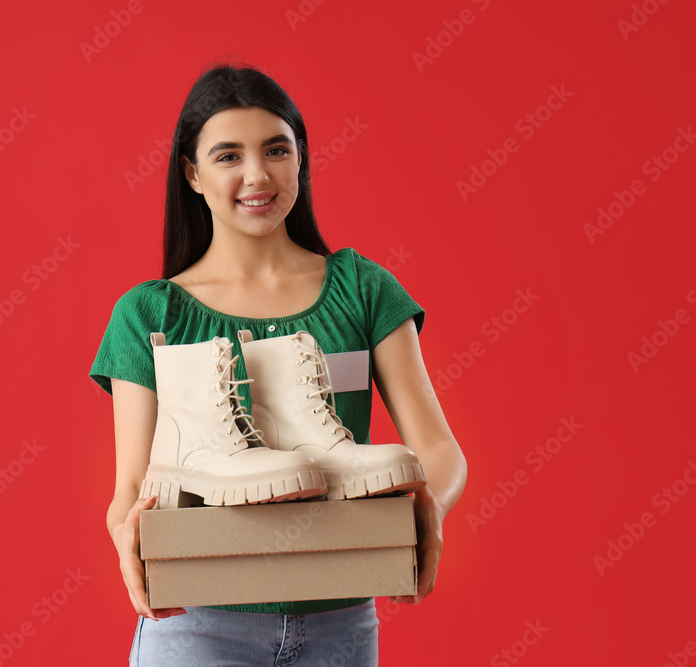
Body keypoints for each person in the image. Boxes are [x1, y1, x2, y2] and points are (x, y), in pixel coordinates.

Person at [90, 61, 468, 666]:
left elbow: (439, 450)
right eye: (228, 156)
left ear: (301, 160)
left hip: (341, 622)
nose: (257, 174)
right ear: (191, 173)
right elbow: (133, 487)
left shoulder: (363, 290)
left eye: (275, 149)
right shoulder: (148, 315)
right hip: (197, 627)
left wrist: (432, 507)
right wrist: (126, 535)